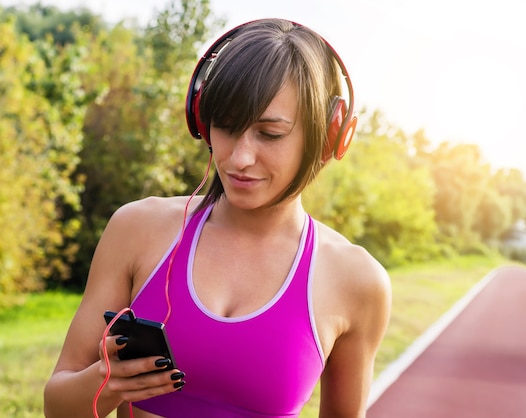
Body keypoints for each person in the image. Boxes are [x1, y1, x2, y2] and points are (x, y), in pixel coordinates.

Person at [44, 18, 391, 418]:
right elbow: (57, 406)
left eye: (269, 134)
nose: (239, 158)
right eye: (225, 126)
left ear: (328, 136)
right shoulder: (136, 229)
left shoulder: (358, 281)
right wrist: (106, 382)